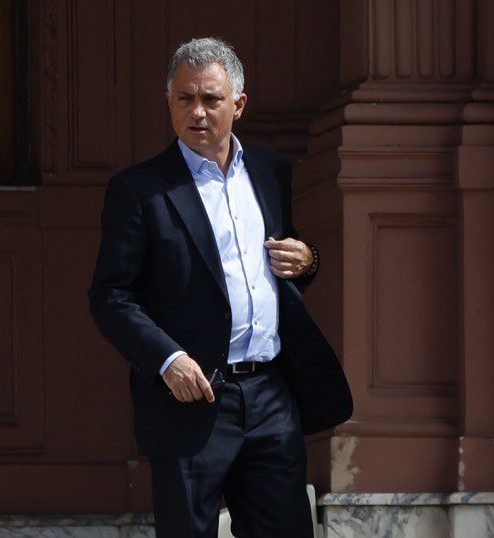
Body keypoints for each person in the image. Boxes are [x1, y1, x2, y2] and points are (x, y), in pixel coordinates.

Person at [89, 37, 352, 538]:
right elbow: (110, 296)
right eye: (185, 98)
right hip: (192, 399)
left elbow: (281, 265)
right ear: (169, 102)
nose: (198, 112)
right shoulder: (139, 189)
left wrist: (308, 260)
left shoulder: (271, 172)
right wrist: (167, 359)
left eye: (211, 99)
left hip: (271, 395)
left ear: (239, 104)